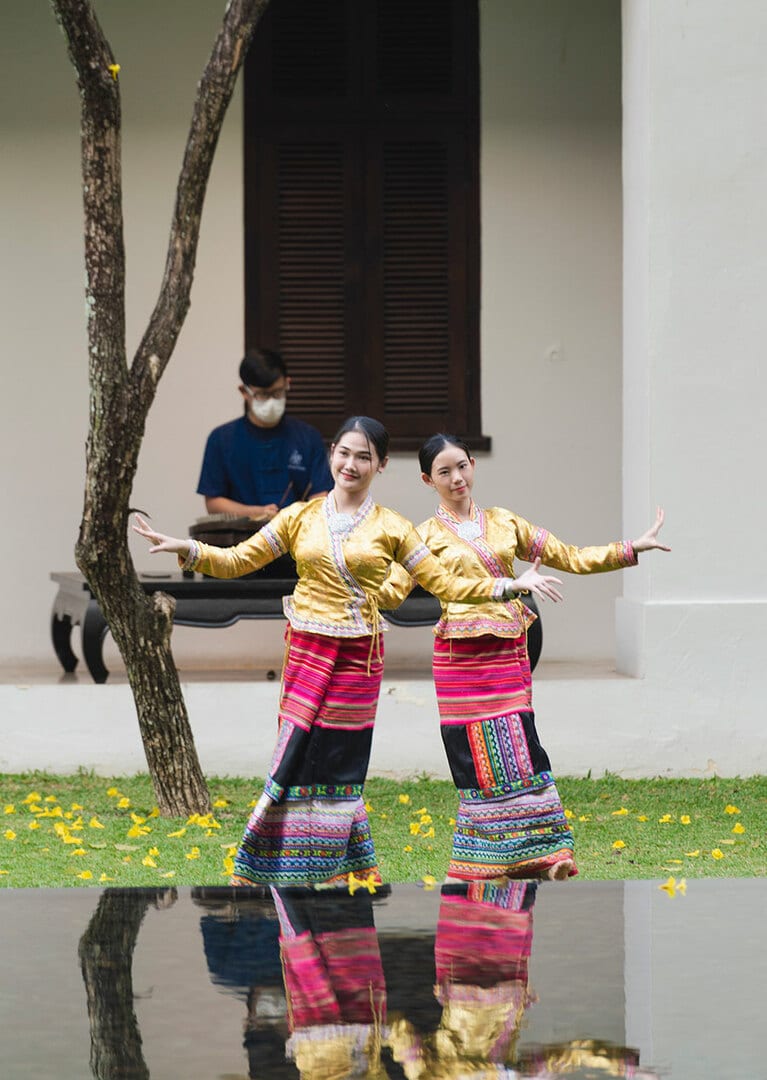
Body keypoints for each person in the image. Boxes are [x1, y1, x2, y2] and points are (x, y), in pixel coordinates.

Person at [133, 418, 545, 888]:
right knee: (295, 752)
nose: (352, 464)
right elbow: (239, 560)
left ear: (382, 466)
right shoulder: (298, 517)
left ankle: (330, 866)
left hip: (359, 657)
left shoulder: (393, 527)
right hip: (308, 649)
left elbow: (444, 583)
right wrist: (187, 549)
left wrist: (508, 584)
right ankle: (283, 860)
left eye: (364, 456)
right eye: (345, 453)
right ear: (331, 454)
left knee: (339, 762)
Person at [379, 434, 670, 883]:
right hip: (458, 658)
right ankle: (487, 860)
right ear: (426, 480)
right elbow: (392, 591)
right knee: (473, 753)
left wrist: (632, 548)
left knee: (518, 744)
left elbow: (568, 556)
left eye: (461, 466)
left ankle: (548, 853)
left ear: (473, 464)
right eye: (444, 472)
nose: (456, 478)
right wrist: (346, 584)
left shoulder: (505, 523)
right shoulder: (423, 537)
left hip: (507, 649)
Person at [197, 348, 333, 521]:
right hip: (239, 541)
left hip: (296, 540)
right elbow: (214, 503)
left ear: (287, 383)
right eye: (262, 395)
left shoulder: (308, 437)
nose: (271, 401)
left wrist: (290, 518)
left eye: (277, 393)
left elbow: (321, 497)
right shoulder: (221, 439)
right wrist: (254, 512)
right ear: (244, 392)